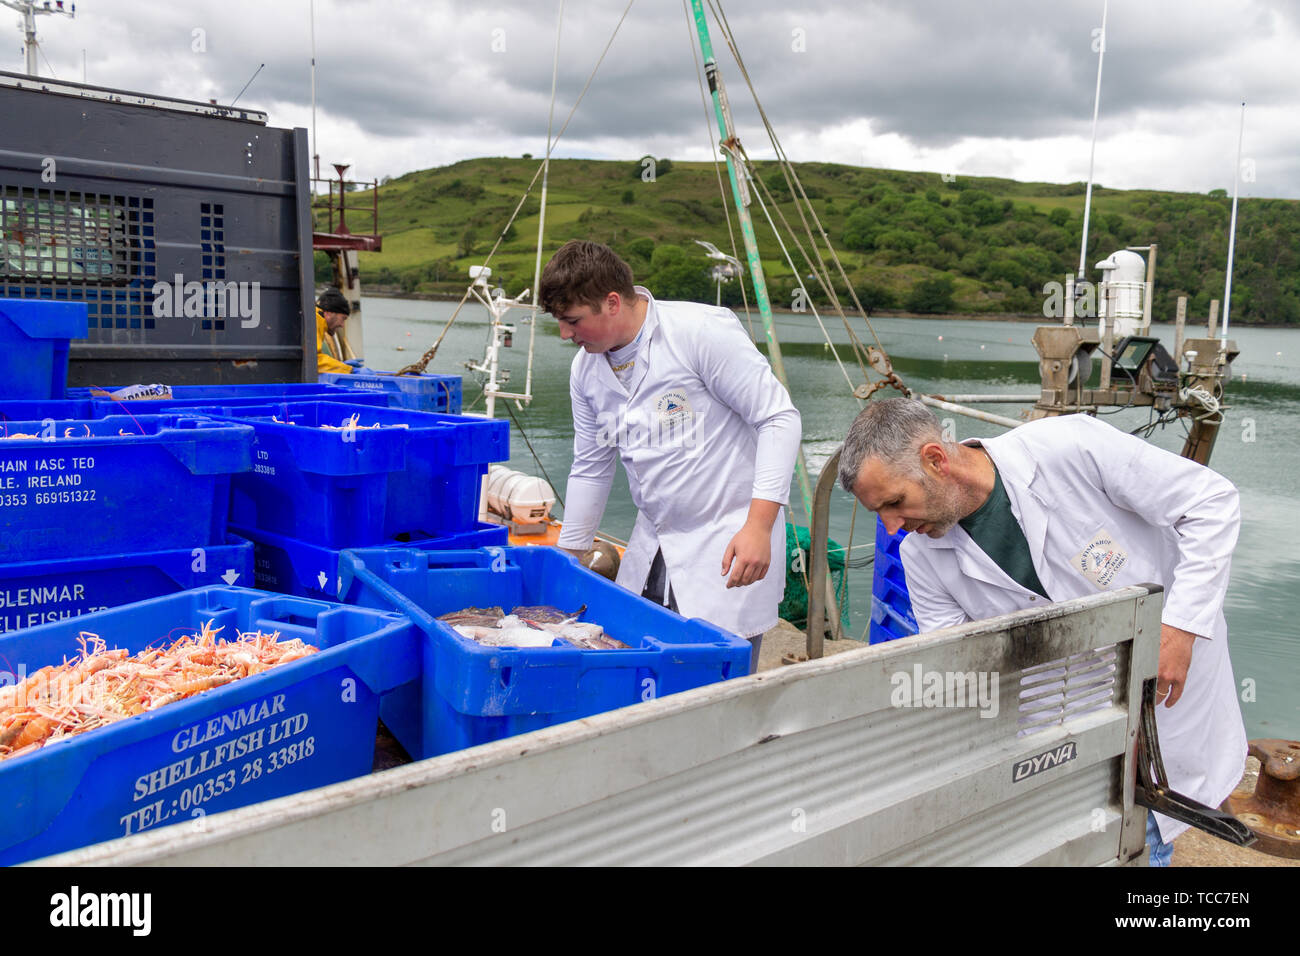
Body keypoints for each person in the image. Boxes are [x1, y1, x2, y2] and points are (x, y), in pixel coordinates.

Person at [838, 397, 1246, 866]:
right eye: (880, 512)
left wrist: (1180, 628)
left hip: (1168, 688)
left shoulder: (1069, 447)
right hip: (1065, 720)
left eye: (894, 503)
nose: (891, 526)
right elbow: (961, 672)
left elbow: (1211, 503)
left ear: (935, 459)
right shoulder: (922, 558)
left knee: (1141, 837)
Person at [540, 240, 801, 670]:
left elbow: (778, 418)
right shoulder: (585, 370)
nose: (565, 334)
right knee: (639, 664)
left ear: (611, 303)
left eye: (572, 321)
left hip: (728, 537)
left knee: (719, 677)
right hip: (654, 538)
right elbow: (592, 466)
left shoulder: (700, 332)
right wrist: (567, 558)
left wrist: (759, 525)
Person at [316, 288, 353, 374]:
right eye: (343, 319)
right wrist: (349, 370)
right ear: (328, 313)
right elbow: (314, 361)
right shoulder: (314, 321)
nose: (342, 325)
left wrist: (339, 365)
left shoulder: (315, 320)